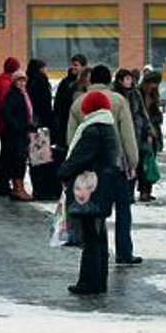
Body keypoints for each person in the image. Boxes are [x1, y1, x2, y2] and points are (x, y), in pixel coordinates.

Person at [69, 65, 141, 264]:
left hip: (88, 169)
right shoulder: (118, 101)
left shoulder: (78, 103)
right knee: (123, 208)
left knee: (95, 211)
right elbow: (127, 134)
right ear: (110, 80)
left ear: (90, 80)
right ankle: (124, 252)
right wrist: (133, 161)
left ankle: (97, 251)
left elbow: (71, 138)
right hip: (116, 165)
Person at [57, 91, 123, 295]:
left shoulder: (92, 130)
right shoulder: (108, 127)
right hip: (102, 189)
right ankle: (98, 280)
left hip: (90, 189)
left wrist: (62, 170)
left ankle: (90, 282)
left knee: (91, 237)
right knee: (98, 235)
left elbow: (80, 158)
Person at [113, 68, 150, 202]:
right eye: (127, 79)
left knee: (134, 162)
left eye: (130, 79)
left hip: (136, 131)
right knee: (121, 163)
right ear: (120, 80)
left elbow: (142, 111)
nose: (130, 81)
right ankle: (121, 192)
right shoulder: (115, 95)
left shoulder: (135, 94)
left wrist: (147, 127)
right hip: (119, 131)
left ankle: (130, 192)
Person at [26, 58, 59, 201]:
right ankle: (44, 190)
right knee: (44, 159)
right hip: (42, 125)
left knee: (36, 160)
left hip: (33, 125)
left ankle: (37, 189)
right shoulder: (42, 82)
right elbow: (45, 106)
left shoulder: (29, 83)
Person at [1, 70, 33, 201]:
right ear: (14, 81)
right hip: (15, 135)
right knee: (17, 161)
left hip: (22, 133)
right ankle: (17, 188)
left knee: (21, 160)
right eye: (19, 80)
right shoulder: (12, 95)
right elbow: (7, 114)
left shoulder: (23, 94)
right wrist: (18, 127)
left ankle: (19, 187)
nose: (21, 83)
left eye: (23, 80)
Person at [0, 56, 21, 196]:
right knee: (7, 155)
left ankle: (2, 184)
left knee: (5, 154)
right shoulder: (6, 83)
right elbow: (6, 106)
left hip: (2, 123)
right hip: (6, 126)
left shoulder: (0, 80)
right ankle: (3, 185)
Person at [136, 70, 164, 202]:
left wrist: (156, 121)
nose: (154, 86)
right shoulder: (138, 94)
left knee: (150, 161)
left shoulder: (153, 96)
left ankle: (148, 189)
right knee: (142, 163)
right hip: (142, 133)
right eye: (153, 83)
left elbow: (157, 114)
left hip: (152, 133)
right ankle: (143, 190)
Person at [52, 53, 88, 151]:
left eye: (76, 65)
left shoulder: (87, 83)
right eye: (72, 64)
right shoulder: (65, 83)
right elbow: (58, 104)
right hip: (66, 122)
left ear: (83, 67)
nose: (73, 67)